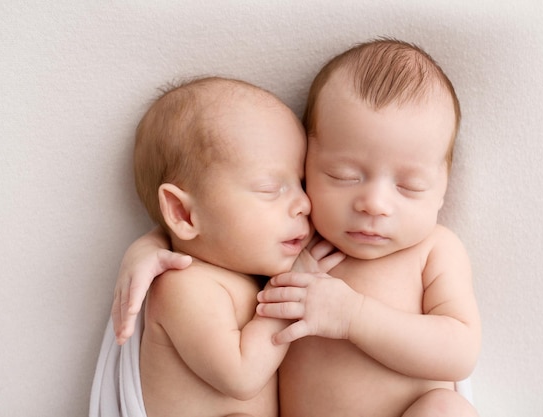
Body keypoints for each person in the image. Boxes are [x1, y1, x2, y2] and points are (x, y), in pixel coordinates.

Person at [113, 39, 481, 417]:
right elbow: (220, 237)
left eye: (410, 186)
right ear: (308, 162)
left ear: (442, 188)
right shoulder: (298, 246)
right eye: (343, 175)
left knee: (447, 409)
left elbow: (459, 352)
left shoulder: (433, 251)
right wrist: (148, 248)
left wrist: (354, 316)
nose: (374, 204)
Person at [125, 76, 342, 417]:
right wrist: (289, 294)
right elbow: (242, 376)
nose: (303, 203)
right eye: (272, 188)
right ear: (183, 212)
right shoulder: (183, 285)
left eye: (301, 183)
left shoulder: (248, 267)